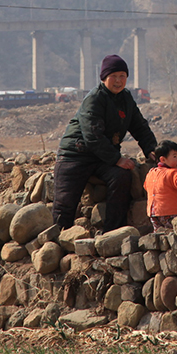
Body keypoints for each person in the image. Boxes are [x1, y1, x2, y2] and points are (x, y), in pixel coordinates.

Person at [52, 54, 157, 232]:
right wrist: (117, 159)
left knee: (122, 176)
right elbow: (93, 136)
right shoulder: (94, 99)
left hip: (102, 158)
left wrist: (152, 149)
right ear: (104, 78)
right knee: (65, 207)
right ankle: (55, 246)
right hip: (75, 156)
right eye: (113, 76)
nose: (118, 81)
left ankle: (112, 234)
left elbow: (139, 126)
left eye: (122, 76)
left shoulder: (126, 99)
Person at [143, 140, 177, 231]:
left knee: (159, 234)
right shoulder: (173, 172)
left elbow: (146, 186)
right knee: (173, 233)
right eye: (175, 156)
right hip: (170, 212)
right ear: (163, 159)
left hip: (153, 212)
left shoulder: (151, 172)